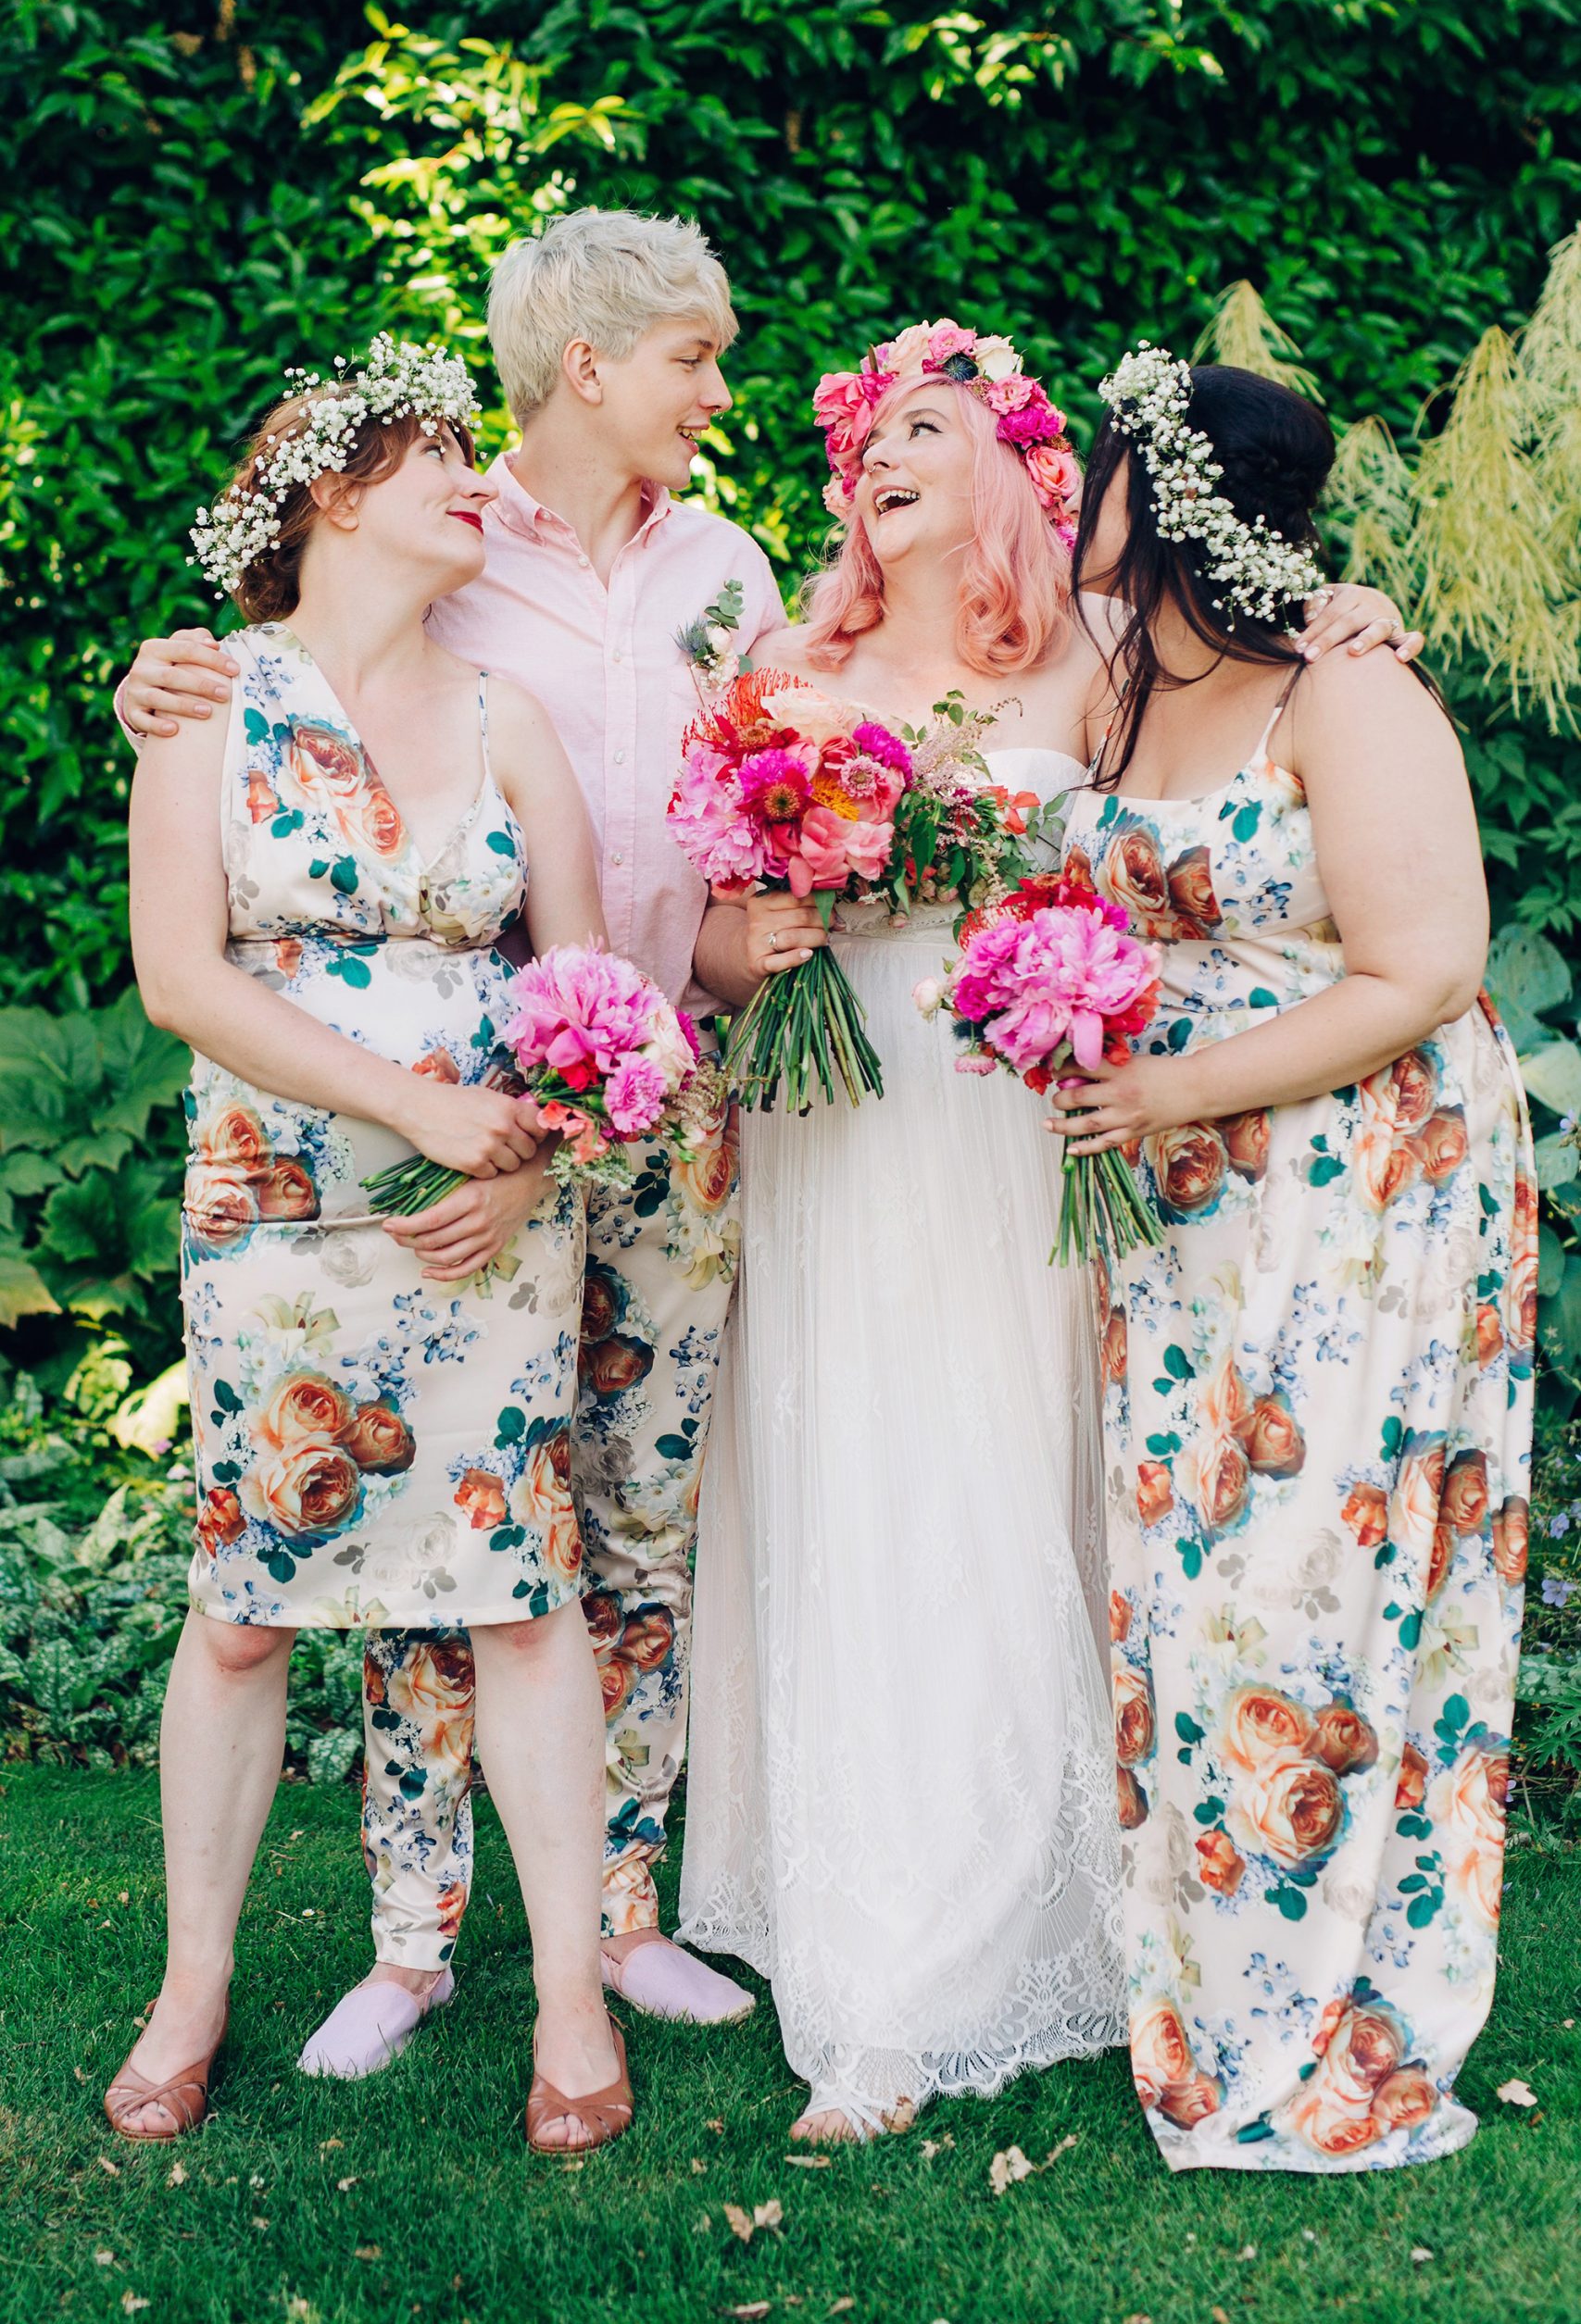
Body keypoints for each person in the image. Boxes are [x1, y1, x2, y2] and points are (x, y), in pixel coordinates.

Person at [677, 319, 1424, 2143]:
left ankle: (1056, 1919)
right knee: (860, 1489)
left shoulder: (1099, 659)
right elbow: (702, 913)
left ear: (1020, 465)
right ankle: (876, 1979)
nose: (874, 454)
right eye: (861, 438)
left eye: (922, 423)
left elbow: (1261, 710)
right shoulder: (786, 660)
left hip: (1030, 1122)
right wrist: (744, 942)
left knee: (1030, 1487)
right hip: (840, 1125)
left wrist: (1353, 619)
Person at [116, 209, 786, 2072]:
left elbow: (803, 737)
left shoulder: (719, 575)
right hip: (330, 1185)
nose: (716, 392)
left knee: (589, 1543)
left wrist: (528, 1145)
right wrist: (151, 683)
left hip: (589, 1140)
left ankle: (608, 1934)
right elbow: (191, 921)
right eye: (690, 356)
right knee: (336, 1582)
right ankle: (400, 1941)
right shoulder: (412, 570)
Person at [109, 336, 634, 2152]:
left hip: (483, 1234)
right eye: (439, 458)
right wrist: (409, 1107)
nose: (477, 480)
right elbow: (185, 977)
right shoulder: (203, 706)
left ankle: (568, 1995)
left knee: (514, 1590)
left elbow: (585, 1001)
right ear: (333, 490)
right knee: (245, 1612)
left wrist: (528, 1157)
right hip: (276, 1218)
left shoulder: (512, 723)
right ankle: (194, 1982)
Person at [1047, 347, 1532, 2171]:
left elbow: (1414, 966)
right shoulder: (1119, 687)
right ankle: (1214, 1973)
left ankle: (1329, 1991)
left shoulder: (1341, 692)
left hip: (1356, 1191)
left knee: (1308, 1576)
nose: (1063, 502)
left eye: (1090, 472)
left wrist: (1165, 1079)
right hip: (1175, 1212)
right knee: (1185, 1575)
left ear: (1163, 497)